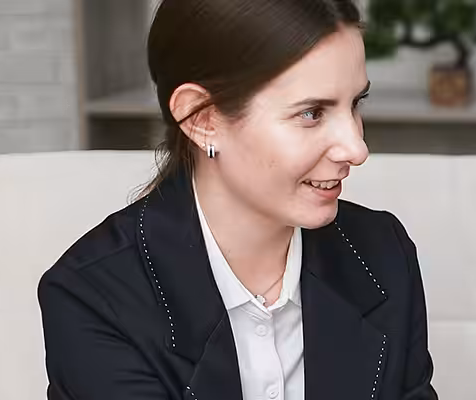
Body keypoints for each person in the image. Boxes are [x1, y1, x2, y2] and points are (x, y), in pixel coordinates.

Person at [37, 1, 436, 399]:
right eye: (312, 113)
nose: (356, 148)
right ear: (201, 119)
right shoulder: (92, 297)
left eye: (356, 103)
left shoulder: (382, 253)